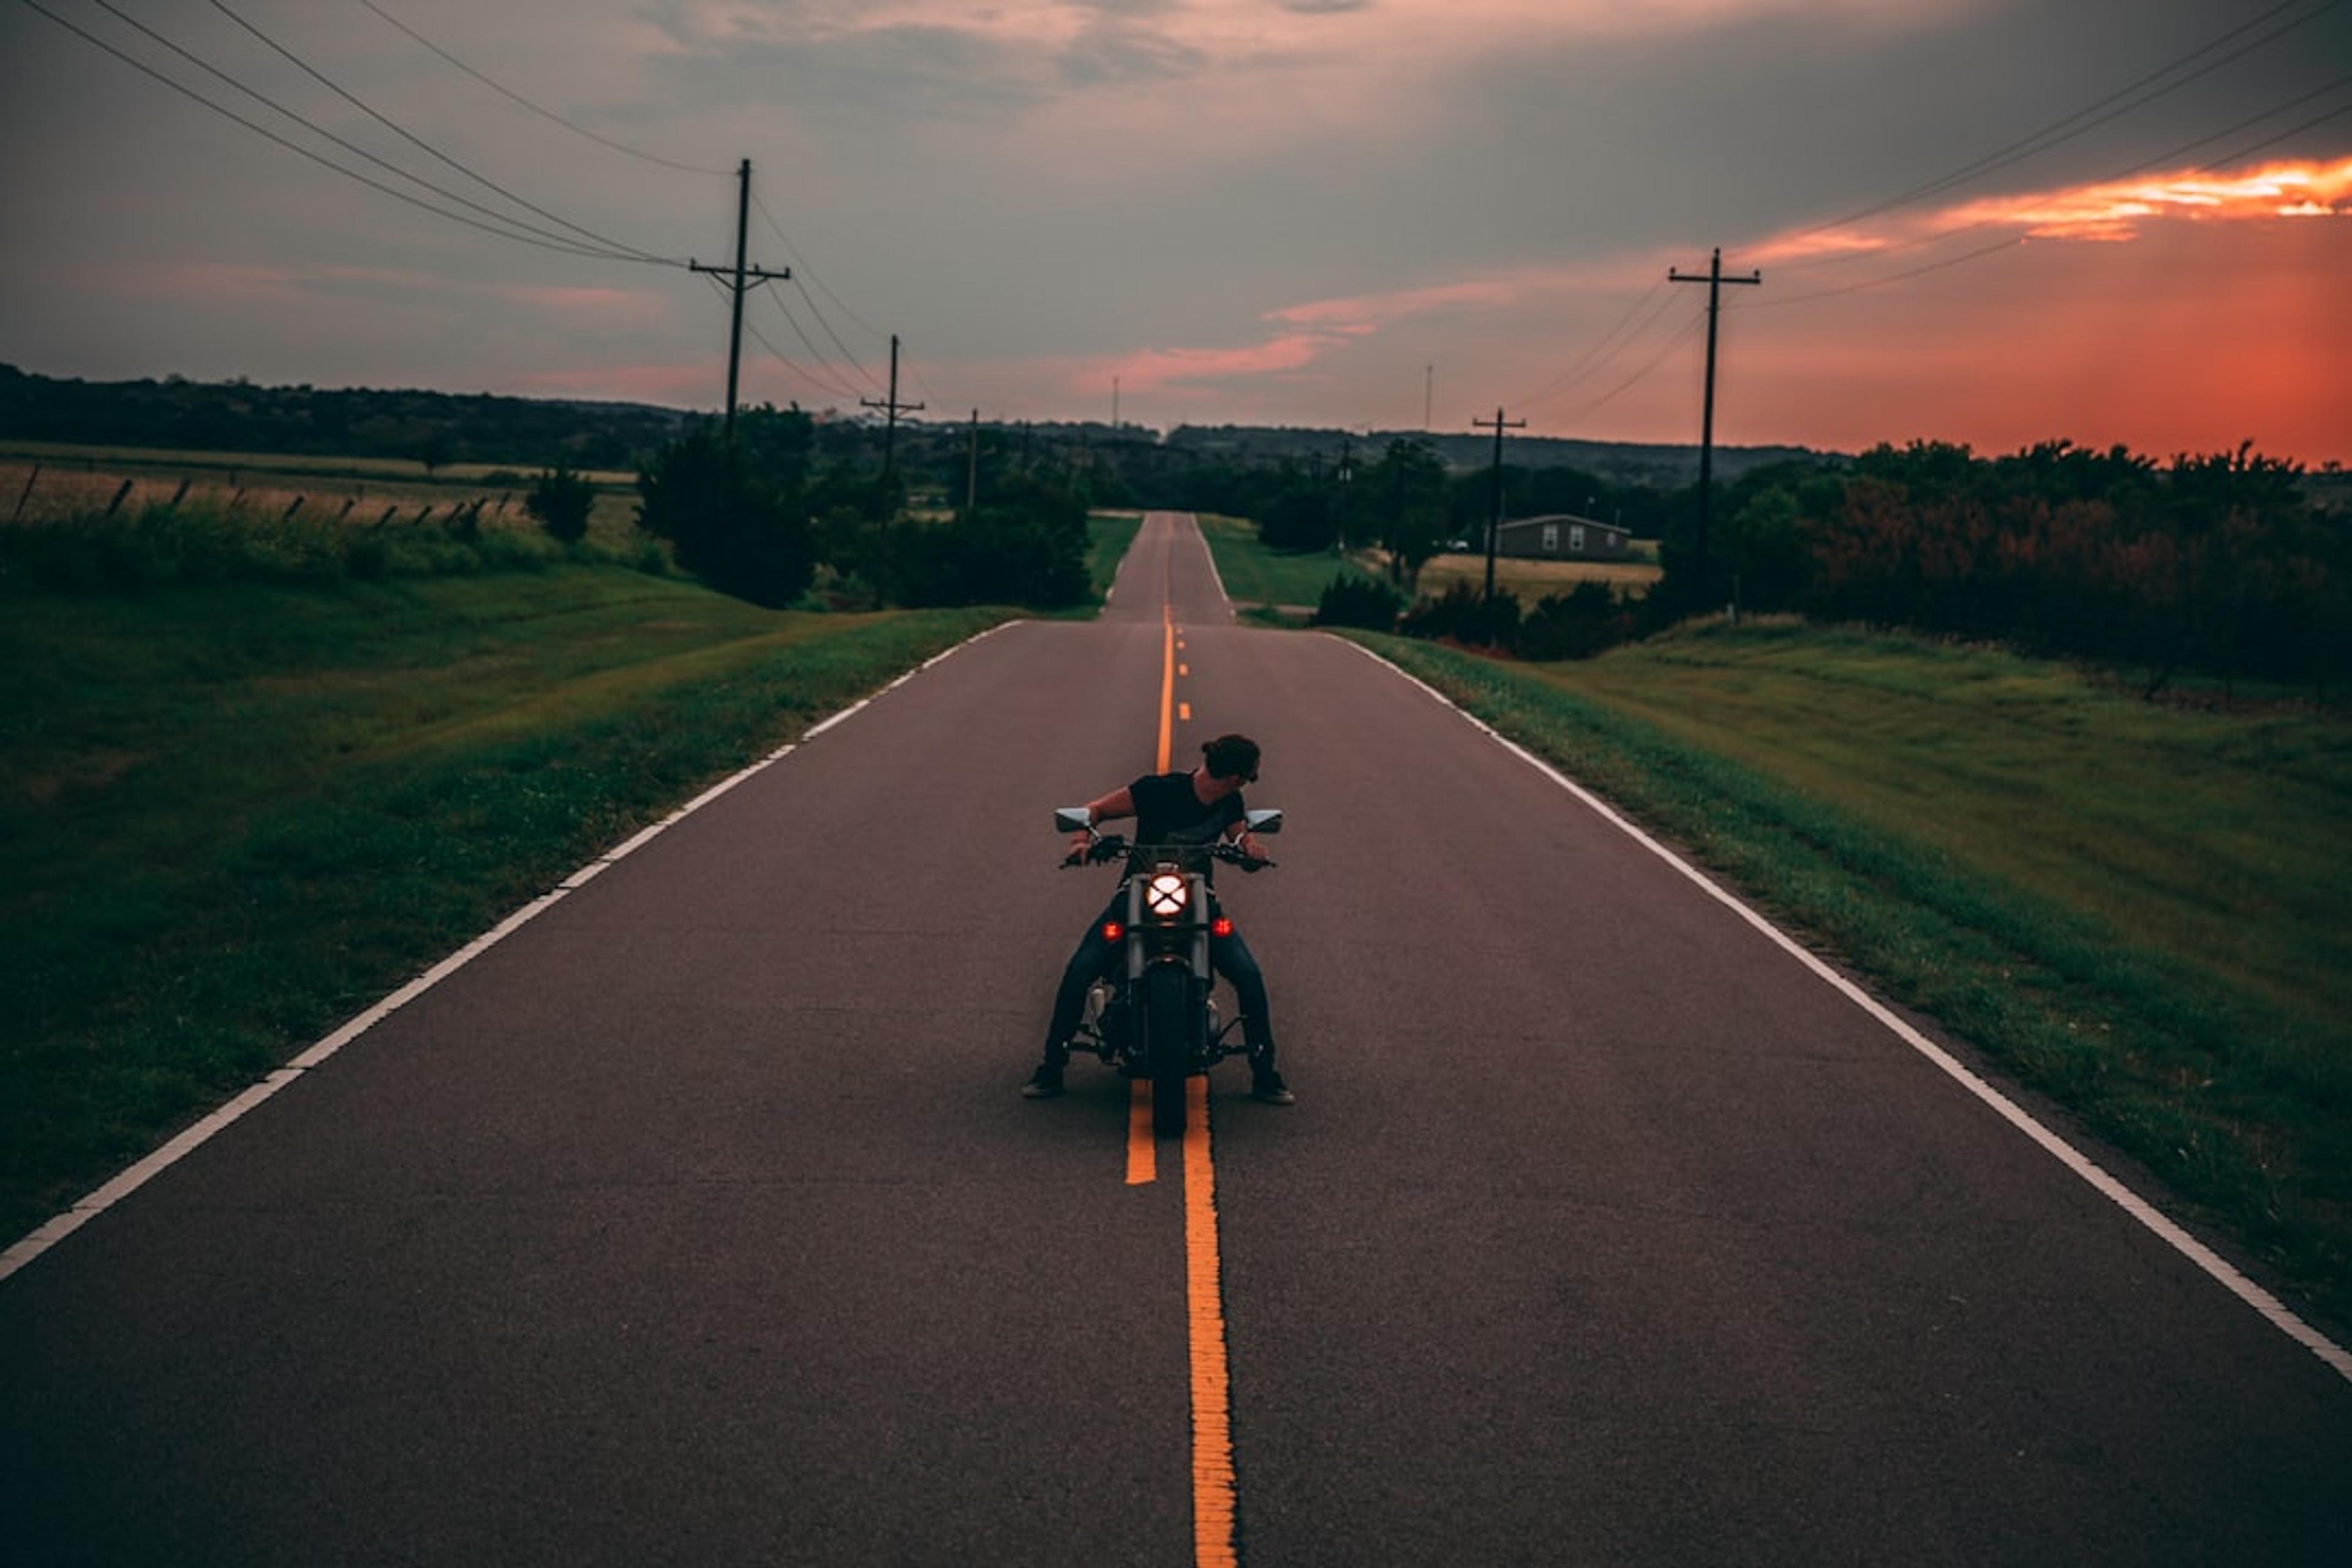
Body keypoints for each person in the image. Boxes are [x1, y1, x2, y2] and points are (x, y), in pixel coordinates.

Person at [1025, 733, 1292, 1105]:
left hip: (1199, 900)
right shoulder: (1155, 790)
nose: (1246, 785)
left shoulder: (1230, 802)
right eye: (1249, 777)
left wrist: (1251, 849)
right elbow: (1095, 812)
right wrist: (1081, 843)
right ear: (1236, 776)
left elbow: (1239, 840)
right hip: (1136, 894)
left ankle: (1266, 1074)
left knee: (1248, 975)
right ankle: (1051, 1067)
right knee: (1080, 971)